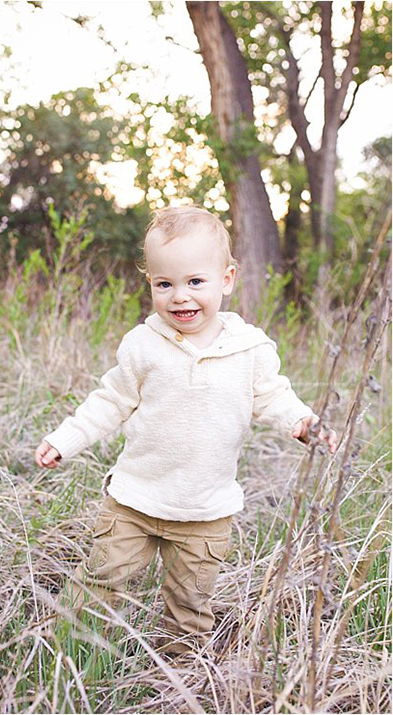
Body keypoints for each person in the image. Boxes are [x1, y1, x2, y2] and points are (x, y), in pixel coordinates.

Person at [35, 205, 337, 654]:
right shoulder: (143, 344)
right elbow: (110, 400)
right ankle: (66, 653)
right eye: (165, 284)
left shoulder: (249, 349)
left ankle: (179, 674)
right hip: (135, 498)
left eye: (195, 282)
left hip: (205, 510)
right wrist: (65, 439)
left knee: (190, 604)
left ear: (227, 279)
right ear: (151, 284)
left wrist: (302, 422)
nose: (180, 297)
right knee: (101, 579)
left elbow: (274, 395)